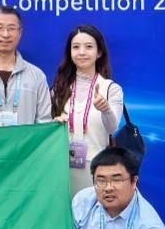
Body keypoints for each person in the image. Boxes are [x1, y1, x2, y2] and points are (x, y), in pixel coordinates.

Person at [50, 25, 125, 195]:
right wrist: (54, 124)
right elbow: (46, 129)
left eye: (89, 47)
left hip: (98, 168)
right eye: (76, 47)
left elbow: (112, 128)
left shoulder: (111, 89)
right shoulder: (59, 89)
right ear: (70, 52)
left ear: (99, 53)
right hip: (62, 167)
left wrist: (106, 109)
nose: (82, 52)